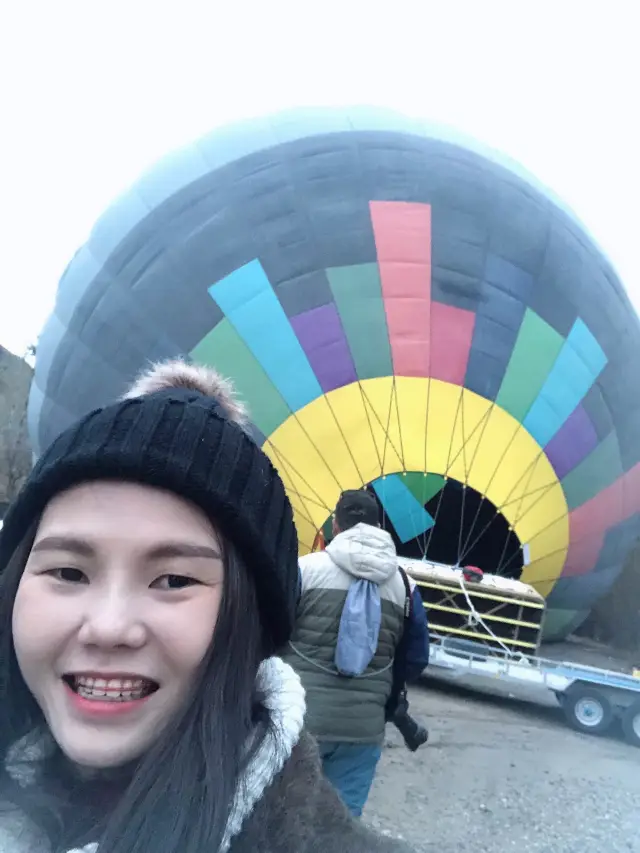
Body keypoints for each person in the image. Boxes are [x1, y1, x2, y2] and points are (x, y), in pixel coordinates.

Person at [0, 360, 416, 853]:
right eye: (69, 572)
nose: (108, 627)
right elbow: (414, 658)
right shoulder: (405, 586)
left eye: (174, 580)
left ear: (252, 621)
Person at [282, 489, 430, 818]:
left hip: (296, 719)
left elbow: (267, 633)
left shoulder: (303, 569)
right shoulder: (406, 586)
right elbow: (417, 658)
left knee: (280, 817)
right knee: (341, 825)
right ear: (378, 526)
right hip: (362, 731)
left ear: (336, 525)